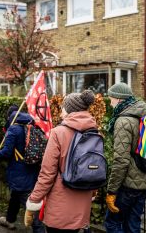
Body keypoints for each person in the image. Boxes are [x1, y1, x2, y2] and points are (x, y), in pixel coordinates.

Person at [25, 90, 97, 233]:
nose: (61, 112)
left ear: (69, 110)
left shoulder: (59, 132)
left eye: (63, 108)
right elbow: (94, 168)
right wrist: (93, 191)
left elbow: (47, 174)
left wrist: (33, 202)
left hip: (60, 206)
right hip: (83, 201)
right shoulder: (94, 132)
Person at [104, 83, 146, 233]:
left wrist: (111, 191)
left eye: (111, 98)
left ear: (119, 99)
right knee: (133, 224)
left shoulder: (123, 121)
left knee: (112, 223)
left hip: (128, 184)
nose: (110, 103)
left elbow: (121, 160)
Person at [0, 106, 44, 232]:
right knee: (16, 195)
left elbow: (7, 152)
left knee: (28, 203)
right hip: (32, 169)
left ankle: (39, 229)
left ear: (10, 117)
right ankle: (9, 220)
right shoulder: (33, 126)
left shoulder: (14, 129)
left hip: (19, 172)